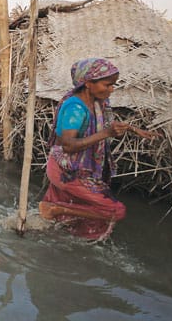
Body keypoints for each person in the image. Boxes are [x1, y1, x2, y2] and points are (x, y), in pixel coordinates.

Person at [39, 57, 159, 241]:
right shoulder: (75, 108)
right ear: (88, 83)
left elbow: (104, 125)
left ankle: (52, 241)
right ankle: (57, 210)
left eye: (113, 85)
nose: (111, 89)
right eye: (108, 85)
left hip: (73, 169)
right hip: (67, 170)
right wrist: (107, 133)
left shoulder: (97, 102)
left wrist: (134, 129)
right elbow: (68, 145)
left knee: (57, 226)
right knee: (115, 211)